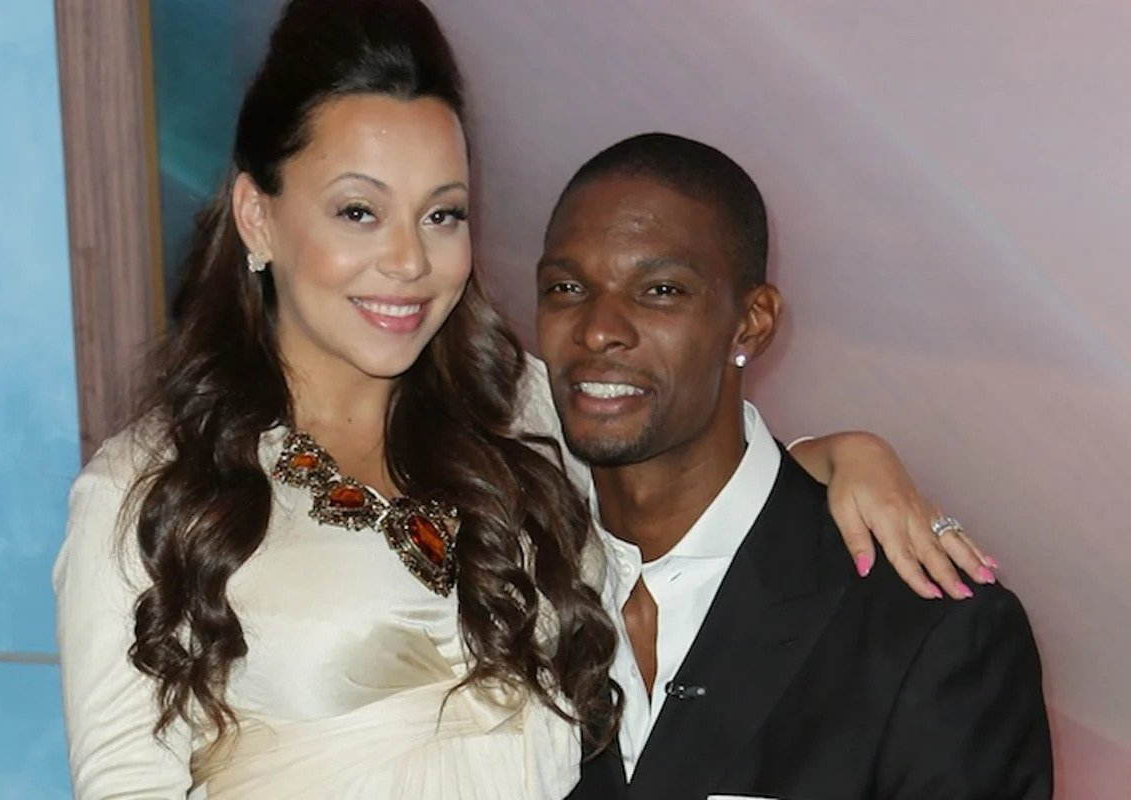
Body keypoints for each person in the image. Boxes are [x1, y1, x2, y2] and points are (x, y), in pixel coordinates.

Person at [54, 2, 992, 798]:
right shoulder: (145, 490)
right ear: (258, 214)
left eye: (443, 213)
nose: (410, 261)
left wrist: (834, 454)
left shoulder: (524, 407)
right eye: (358, 211)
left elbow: (688, 496)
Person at [541, 133, 1053, 800]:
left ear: (751, 324)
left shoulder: (931, 631)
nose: (598, 329)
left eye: (660, 290)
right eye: (566, 287)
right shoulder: (506, 585)